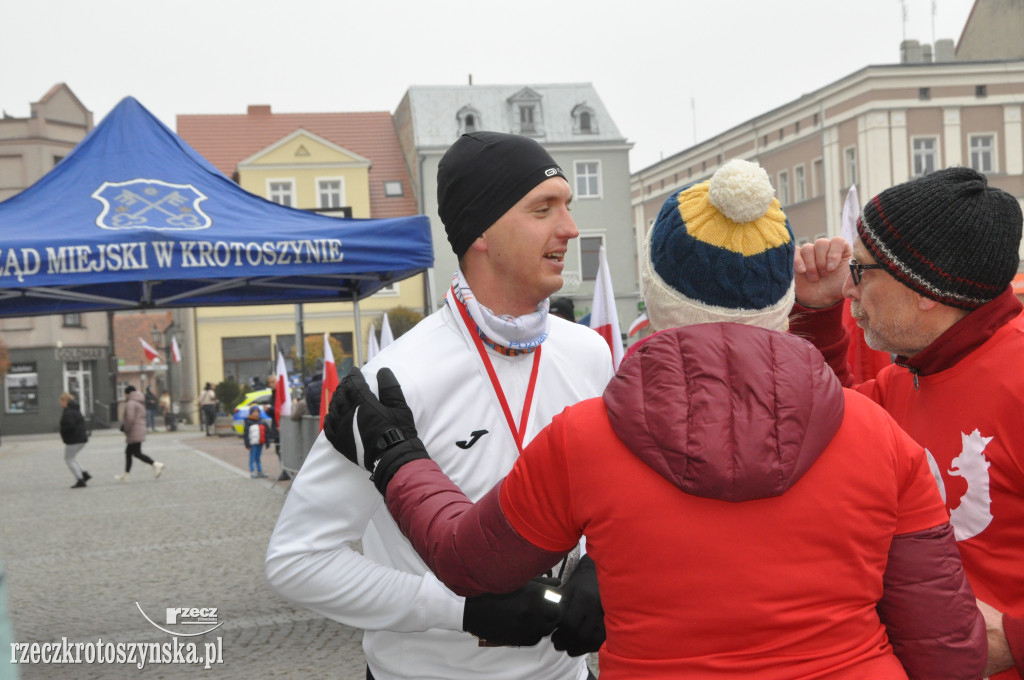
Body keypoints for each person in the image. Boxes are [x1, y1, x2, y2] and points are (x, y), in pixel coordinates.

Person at [329, 160, 987, 679]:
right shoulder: (881, 440)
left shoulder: (584, 442)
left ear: (658, 292)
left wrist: (395, 455)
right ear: (779, 298)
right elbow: (948, 654)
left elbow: (469, 562)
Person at [266, 131, 615, 680]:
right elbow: (298, 561)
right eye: (544, 209)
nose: (570, 228)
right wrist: (458, 610)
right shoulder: (392, 380)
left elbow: (610, 499)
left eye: (568, 207)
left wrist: (602, 562)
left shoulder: (590, 353)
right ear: (482, 231)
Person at [790, 166, 1024, 680]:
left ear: (925, 289)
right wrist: (815, 311)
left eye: (862, 271)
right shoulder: (909, 377)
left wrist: (1014, 640)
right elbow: (823, 424)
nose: (850, 292)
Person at [117, 385, 165, 482]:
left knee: (136, 453)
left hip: (134, 431)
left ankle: (156, 464)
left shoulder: (131, 403)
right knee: (129, 453)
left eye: (125, 394)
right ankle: (126, 475)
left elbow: (130, 419)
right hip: (139, 430)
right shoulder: (139, 402)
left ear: (127, 394)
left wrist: (125, 428)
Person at [58, 392, 91, 489]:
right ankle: (84, 473)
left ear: (65, 401)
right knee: (72, 458)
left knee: (68, 459)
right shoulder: (76, 410)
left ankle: (80, 479)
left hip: (73, 439)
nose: (60, 403)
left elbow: (69, 426)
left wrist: (63, 431)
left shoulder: (68, 412)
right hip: (81, 438)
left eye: (61, 401)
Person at [243, 405, 267, 479]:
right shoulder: (248, 422)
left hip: (260, 442)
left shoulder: (261, 421)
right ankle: (252, 471)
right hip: (252, 443)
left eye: (257, 412)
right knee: (252, 457)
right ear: (251, 412)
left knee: (258, 457)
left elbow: (266, 432)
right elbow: (246, 434)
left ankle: (260, 471)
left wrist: (267, 442)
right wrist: (247, 444)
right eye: (254, 412)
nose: (256, 413)